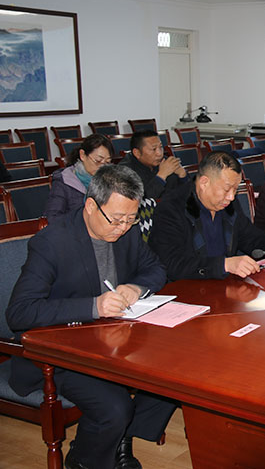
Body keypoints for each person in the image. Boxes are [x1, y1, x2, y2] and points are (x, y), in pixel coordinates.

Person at [7, 165, 175, 469]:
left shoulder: (127, 231)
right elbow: (20, 312)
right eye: (116, 219)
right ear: (90, 206)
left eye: (131, 219)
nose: (123, 228)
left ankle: (120, 440)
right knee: (115, 408)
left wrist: (136, 288)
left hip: (112, 339)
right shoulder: (52, 242)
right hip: (61, 351)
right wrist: (93, 306)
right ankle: (83, 460)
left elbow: (156, 269)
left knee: (175, 372)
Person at [148, 151, 265, 281]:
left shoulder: (227, 203)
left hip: (225, 284)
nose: (232, 197)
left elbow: (248, 235)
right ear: (204, 183)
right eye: (227, 189)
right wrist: (223, 265)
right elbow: (172, 263)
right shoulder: (171, 208)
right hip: (190, 288)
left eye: (235, 189)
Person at [44, 134, 113, 219]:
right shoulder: (64, 182)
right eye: (98, 161)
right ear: (82, 155)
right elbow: (53, 217)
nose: (102, 167)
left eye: (107, 162)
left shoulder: (111, 180)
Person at [119, 130, 187, 199]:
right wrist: (161, 176)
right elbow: (141, 201)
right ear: (137, 153)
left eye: (160, 147)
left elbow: (184, 194)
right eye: (154, 149)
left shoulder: (164, 161)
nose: (159, 153)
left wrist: (183, 175)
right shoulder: (124, 172)